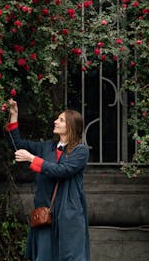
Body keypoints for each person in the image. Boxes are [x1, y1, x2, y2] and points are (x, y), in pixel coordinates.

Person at [6, 99, 90, 261]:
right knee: (43, 257)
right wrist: (14, 116)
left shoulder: (81, 151)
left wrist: (32, 159)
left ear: (71, 126)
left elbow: (63, 170)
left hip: (68, 215)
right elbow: (17, 145)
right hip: (46, 214)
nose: (55, 121)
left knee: (70, 257)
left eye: (61, 119)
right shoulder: (46, 147)